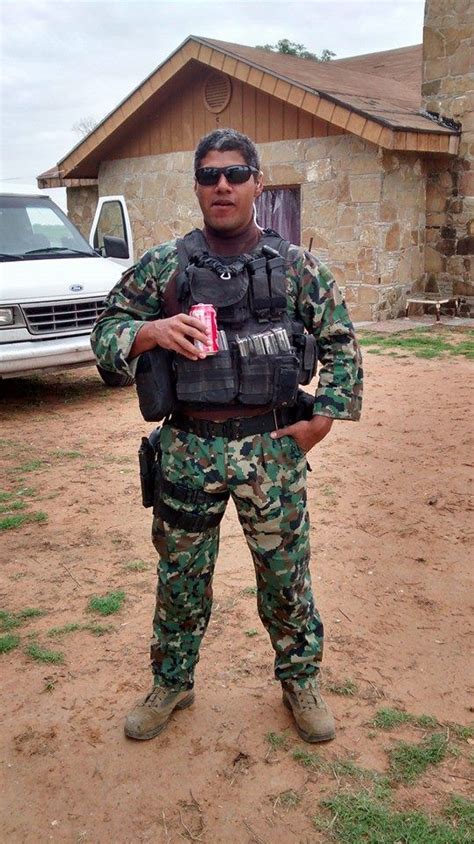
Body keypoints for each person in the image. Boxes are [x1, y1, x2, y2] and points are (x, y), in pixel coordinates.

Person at [91, 128, 363, 744]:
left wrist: (322, 419)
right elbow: (104, 331)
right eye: (210, 175)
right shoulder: (165, 265)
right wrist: (151, 332)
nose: (223, 185)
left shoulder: (297, 268)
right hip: (187, 447)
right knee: (181, 578)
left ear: (257, 184)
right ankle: (172, 683)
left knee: (285, 573)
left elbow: (343, 343)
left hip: (272, 450)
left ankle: (301, 680)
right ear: (196, 186)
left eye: (236, 174)